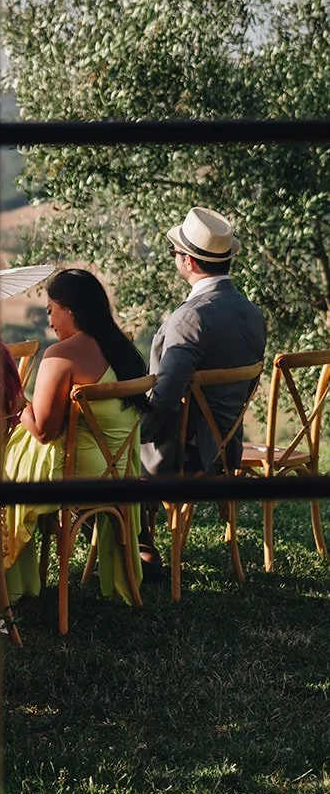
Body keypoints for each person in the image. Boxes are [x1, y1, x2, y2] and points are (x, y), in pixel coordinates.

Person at [0, 267, 149, 606]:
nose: (49, 319)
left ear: (68, 308)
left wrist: (15, 402)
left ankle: (10, 584)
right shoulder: (121, 349)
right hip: (117, 469)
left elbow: (42, 431)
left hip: (75, 472)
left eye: (50, 309)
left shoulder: (61, 356)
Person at [138, 205, 267, 578]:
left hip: (188, 454)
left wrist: (135, 432)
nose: (174, 258)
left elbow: (164, 399)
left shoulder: (190, 317)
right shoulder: (252, 312)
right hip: (228, 447)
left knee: (114, 448)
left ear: (189, 262)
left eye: (175, 252)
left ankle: (141, 548)